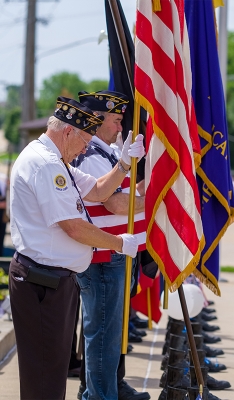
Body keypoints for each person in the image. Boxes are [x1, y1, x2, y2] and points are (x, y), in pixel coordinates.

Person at [8, 96, 144, 400]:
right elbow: (73, 227)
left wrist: (122, 164)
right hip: (42, 281)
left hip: (54, 280)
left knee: (52, 371)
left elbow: (97, 190)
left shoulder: (58, 161)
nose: (86, 148)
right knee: (44, 377)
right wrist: (119, 243)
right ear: (68, 131)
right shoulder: (46, 164)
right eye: (85, 139)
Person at [71, 90, 150, 400]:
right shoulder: (90, 154)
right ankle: (100, 396)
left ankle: (96, 392)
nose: (120, 128)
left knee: (107, 334)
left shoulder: (105, 153)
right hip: (104, 256)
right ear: (98, 119)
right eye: (116, 121)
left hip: (116, 252)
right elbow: (116, 204)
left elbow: (127, 196)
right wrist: (154, 201)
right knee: (103, 336)